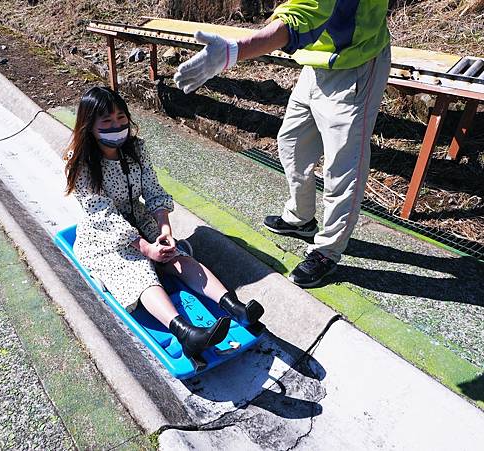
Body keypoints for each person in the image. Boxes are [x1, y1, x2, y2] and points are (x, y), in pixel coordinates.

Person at [174, 0, 391, 288]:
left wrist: (234, 51)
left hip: (356, 63)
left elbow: (301, 18)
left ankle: (327, 251)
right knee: (291, 141)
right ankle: (301, 218)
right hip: (316, 62)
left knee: (343, 166)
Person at [63, 87, 264, 363]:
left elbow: (154, 191)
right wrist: (145, 248)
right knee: (137, 271)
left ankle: (235, 307)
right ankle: (186, 333)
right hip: (104, 235)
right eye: (107, 122)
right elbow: (103, 214)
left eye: (121, 117)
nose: (117, 126)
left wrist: (165, 231)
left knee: (176, 257)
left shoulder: (135, 149)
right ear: (89, 125)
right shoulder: (81, 162)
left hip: (139, 219)